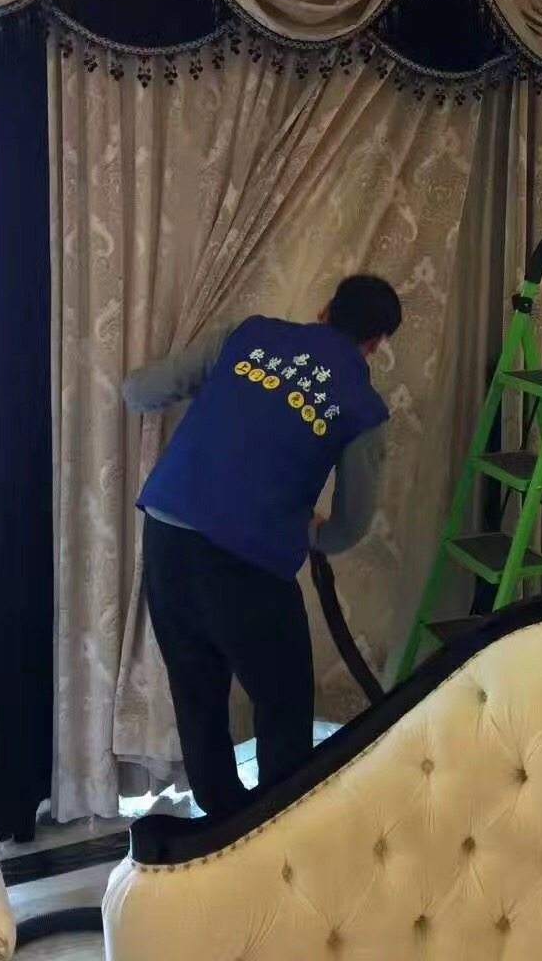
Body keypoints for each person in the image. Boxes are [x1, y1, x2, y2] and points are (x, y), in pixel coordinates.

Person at [123, 275, 401, 817]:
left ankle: (223, 826)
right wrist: (312, 532)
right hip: (247, 568)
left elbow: (140, 392)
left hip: (167, 535)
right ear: (376, 343)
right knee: (284, 704)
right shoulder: (364, 407)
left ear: (324, 309)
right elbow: (351, 525)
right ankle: (276, 831)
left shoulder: (244, 335)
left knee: (197, 695)